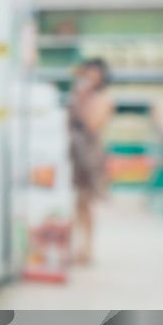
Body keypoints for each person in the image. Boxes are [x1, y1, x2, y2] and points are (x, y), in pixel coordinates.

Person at [68, 58, 113, 264]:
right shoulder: (79, 96)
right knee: (78, 203)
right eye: (88, 73)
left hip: (91, 155)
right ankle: (79, 247)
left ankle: (88, 248)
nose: (91, 77)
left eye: (96, 74)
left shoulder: (104, 100)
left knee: (86, 202)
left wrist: (82, 101)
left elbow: (93, 126)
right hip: (74, 152)